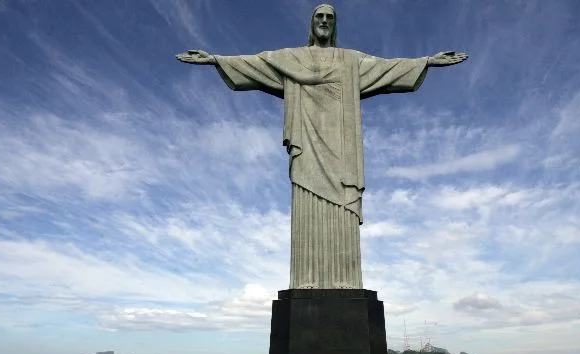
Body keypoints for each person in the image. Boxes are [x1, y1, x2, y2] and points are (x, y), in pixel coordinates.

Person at [175, 4, 468, 290]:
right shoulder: (292, 59)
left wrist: (427, 61)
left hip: (342, 147)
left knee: (342, 206)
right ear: (312, 24)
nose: (325, 21)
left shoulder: (351, 61)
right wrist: (214, 59)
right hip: (307, 142)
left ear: (335, 24)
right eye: (319, 16)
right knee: (308, 204)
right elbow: (257, 63)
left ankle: (347, 282)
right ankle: (306, 280)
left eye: (330, 17)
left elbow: (387, 68)